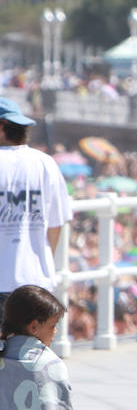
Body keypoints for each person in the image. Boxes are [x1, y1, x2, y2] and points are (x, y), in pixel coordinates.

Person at [0, 100, 72, 314]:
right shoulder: (46, 163)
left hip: (2, 282)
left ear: (2, 127)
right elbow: (56, 225)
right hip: (37, 280)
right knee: (31, 347)